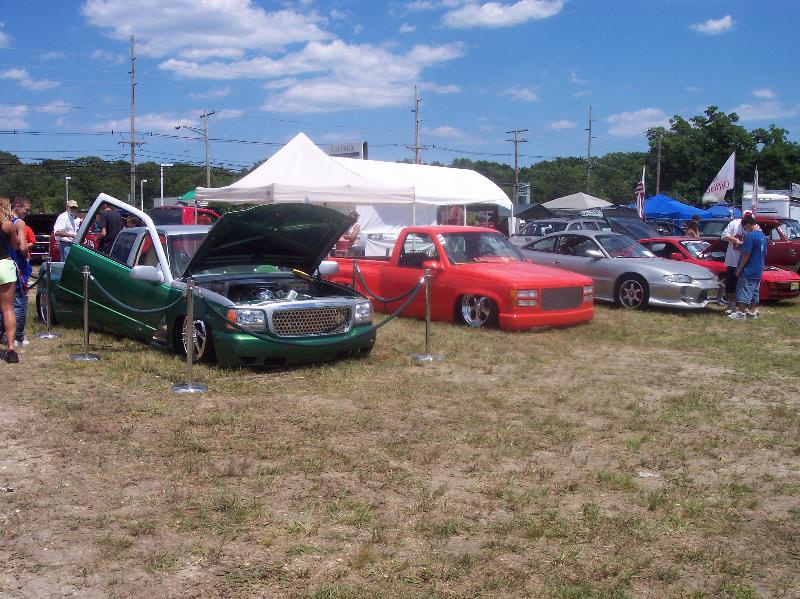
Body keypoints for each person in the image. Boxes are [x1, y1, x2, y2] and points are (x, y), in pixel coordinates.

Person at [0, 196, 32, 348]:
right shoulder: (16, 223)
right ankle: (16, 338)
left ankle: (2, 334)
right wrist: (26, 253)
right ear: (16, 206)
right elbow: (21, 247)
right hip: (12, 265)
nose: (28, 213)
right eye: (26, 209)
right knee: (16, 303)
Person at [729, 213, 767, 320]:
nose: (745, 230)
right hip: (758, 268)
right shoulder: (763, 236)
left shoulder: (751, 236)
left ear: (748, 224)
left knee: (743, 289)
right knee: (755, 291)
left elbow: (746, 253)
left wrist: (739, 268)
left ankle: (741, 313)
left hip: (749, 268)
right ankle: (752, 312)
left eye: (745, 227)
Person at [0, 197, 22, 363]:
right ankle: (11, 349)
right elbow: (16, 246)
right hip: (4, 265)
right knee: (8, 308)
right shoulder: (8, 225)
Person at [721, 211, 751, 312]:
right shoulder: (734, 223)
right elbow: (723, 236)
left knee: (745, 286)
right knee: (731, 285)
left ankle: (745, 307)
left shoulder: (754, 227)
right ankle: (732, 306)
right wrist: (735, 240)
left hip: (746, 262)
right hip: (733, 261)